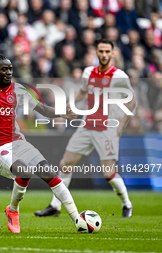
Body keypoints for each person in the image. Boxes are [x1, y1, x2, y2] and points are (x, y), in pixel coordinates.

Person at [0, 53, 80, 233]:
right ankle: (13, 209)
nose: (9, 72)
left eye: (10, 69)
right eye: (4, 69)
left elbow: (42, 109)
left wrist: (61, 113)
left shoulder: (18, 90)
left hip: (18, 142)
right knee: (24, 171)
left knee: (50, 174)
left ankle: (78, 220)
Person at [34, 39, 136, 218]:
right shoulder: (89, 72)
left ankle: (127, 204)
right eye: (101, 51)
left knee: (108, 172)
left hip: (107, 127)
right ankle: (55, 206)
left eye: (107, 52)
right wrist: (70, 103)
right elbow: (83, 91)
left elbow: (131, 100)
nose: (104, 55)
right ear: (96, 52)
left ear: (113, 54)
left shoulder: (119, 76)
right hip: (87, 125)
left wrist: (121, 124)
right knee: (65, 163)